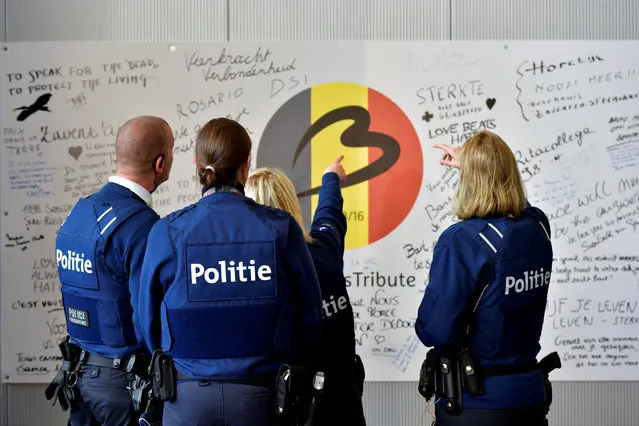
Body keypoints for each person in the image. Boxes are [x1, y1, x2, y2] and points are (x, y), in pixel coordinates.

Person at [137, 117, 323, 426]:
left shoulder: (166, 232)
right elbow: (311, 319)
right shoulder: (281, 229)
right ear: (246, 165)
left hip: (187, 401)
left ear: (197, 163)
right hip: (263, 401)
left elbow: (147, 323)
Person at [415, 131, 554, 426]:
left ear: (468, 181)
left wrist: (472, 164)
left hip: (478, 403)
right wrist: (481, 163)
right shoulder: (538, 228)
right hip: (531, 399)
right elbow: (521, 207)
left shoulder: (462, 240)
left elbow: (434, 331)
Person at [53, 115, 175, 426]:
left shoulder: (77, 215)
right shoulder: (141, 226)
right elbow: (148, 317)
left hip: (79, 378)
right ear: (160, 164)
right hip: (123, 387)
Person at [246, 156, 367, 426]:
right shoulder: (325, 250)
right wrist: (331, 178)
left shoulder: (257, 272)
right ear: (291, 204)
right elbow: (329, 211)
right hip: (343, 403)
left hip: (291, 406)